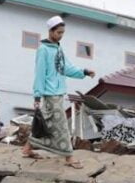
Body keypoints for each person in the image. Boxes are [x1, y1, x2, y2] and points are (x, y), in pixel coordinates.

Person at [23, 16, 95, 168]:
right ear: (51, 31)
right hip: (50, 94)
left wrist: (84, 72)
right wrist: (37, 95)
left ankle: (27, 148)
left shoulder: (58, 49)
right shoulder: (43, 50)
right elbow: (40, 74)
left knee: (47, 123)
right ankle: (69, 157)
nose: (61, 35)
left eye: (63, 33)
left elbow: (66, 68)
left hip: (58, 92)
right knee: (61, 125)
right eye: (59, 32)